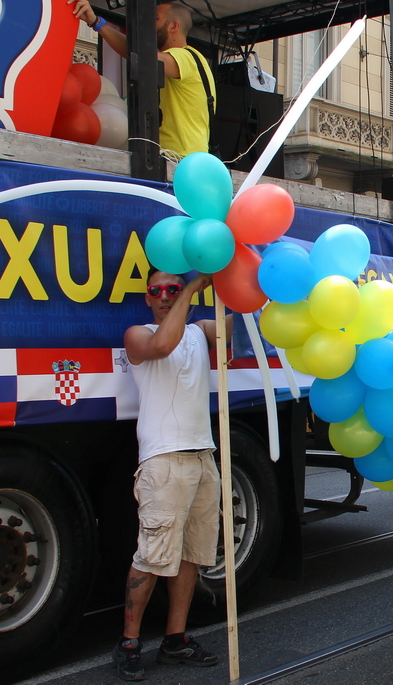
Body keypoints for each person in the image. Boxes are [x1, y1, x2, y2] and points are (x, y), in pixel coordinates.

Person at [115, 269, 222, 680]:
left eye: (172, 289)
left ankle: (175, 640)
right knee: (152, 556)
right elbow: (162, 344)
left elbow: (235, 326)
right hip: (164, 462)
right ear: (146, 298)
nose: (163, 296)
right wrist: (193, 289)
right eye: (156, 291)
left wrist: (230, 278)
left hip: (202, 456)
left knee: (192, 554)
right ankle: (128, 642)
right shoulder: (136, 335)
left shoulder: (199, 331)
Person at [69, 0, 215, 158]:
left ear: (174, 26)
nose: (149, 25)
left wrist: (97, 22)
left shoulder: (185, 56)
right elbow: (137, 55)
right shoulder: (188, 58)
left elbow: (143, 58)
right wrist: (96, 22)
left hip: (179, 159)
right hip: (182, 158)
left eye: (156, 19)